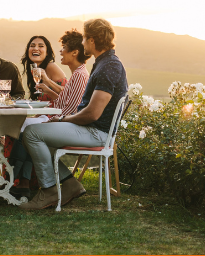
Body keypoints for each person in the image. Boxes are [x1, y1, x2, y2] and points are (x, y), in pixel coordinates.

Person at [19, 19, 128, 210]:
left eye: (85, 38)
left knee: (31, 133)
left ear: (92, 40)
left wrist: (64, 119)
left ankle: (49, 190)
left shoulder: (109, 66)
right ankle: (70, 184)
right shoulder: (104, 63)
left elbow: (93, 114)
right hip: (91, 129)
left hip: (96, 132)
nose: (83, 43)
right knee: (41, 137)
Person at [7, 29, 91, 199]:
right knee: (27, 129)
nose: (61, 51)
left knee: (29, 132)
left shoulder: (80, 75)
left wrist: (51, 119)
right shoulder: (77, 74)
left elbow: (72, 109)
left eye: (64, 48)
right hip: (63, 121)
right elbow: (64, 101)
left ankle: (16, 177)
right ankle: (21, 180)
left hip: (71, 126)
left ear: (74, 52)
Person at [20, 35, 65, 101]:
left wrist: (47, 80)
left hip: (58, 111)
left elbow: (68, 94)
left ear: (47, 52)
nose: (35, 48)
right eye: (32, 46)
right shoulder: (33, 69)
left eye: (41, 46)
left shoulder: (51, 67)